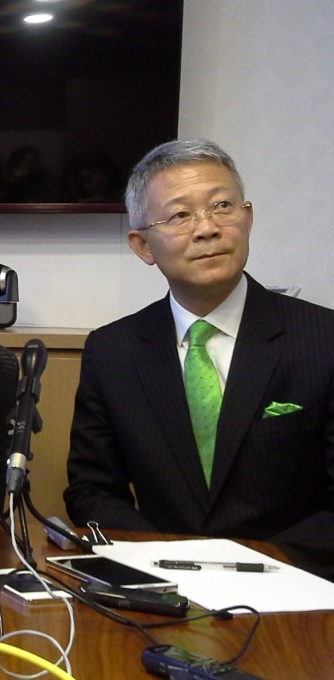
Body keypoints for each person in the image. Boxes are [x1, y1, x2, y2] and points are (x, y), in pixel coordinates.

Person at [64, 139, 334, 578]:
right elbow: (92, 491)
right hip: (161, 584)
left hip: (297, 586)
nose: (206, 228)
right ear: (143, 245)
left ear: (247, 219)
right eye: (179, 215)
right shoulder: (113, 350)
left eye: (221, 206)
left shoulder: (323, 339)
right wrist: (162, 561)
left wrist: (261, 566)